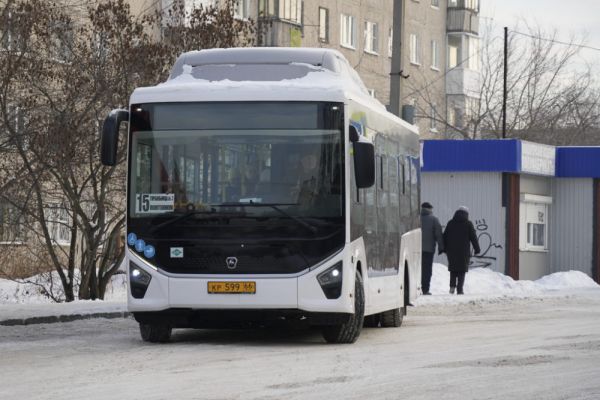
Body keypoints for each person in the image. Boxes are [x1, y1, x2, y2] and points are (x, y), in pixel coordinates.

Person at [443, 206, 480, 295]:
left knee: (453, 269)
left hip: (451, 251)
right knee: (462, 270)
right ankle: (460, 289)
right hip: (463, 251)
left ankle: (452, 287)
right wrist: (477, 249)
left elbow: (445, 236)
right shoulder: (468, 224)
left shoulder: (450, 223)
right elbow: (473, 237)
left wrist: (444, 248)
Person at [420, 202, 444, 295]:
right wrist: (441, 247)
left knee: (416, 269)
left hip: (415, 249)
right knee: (427, 270)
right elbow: (438, 234)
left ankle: (415, 289)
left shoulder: (415, 218)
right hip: (428, 250)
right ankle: (425, 289)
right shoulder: (434, 219)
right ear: (430, 209)